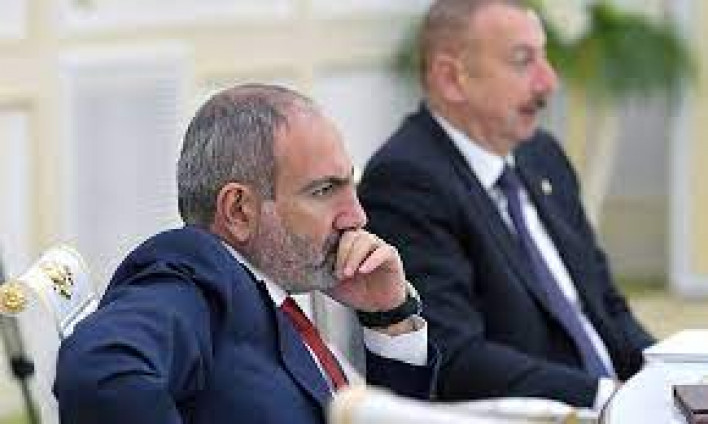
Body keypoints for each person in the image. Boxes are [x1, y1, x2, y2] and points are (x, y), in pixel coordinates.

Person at [54, 84, 438, 424]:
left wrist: (389, 319)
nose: (357, 216)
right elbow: (98, 373)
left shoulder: (262, 285)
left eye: (350, 185)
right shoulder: (192, 279)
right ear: (238, 210)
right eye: (324, 190)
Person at [358, 0, 654, 410]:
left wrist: (666, 378)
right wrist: (609, 397)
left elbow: (606, 305)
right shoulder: (407, 180)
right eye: (523, 61)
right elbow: (457, 358)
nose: (549, 82)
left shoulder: (541, 154)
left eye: (544, 58)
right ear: (451, 79)